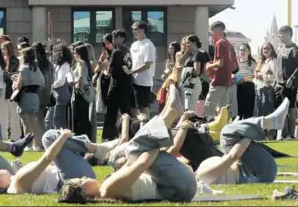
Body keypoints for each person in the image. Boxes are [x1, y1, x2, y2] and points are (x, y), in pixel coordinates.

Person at [59, 85, 197, 203]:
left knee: (131, 151)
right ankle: (171, 112)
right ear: (84, 194)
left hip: (178, 186)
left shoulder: (107, 188)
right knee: (132, 151)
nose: (84, 177)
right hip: (180, 187)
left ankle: (169, 111)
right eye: (81, 181)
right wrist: (153, 145)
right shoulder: (108, 188)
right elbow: (143, 162)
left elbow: (131, 164)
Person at [195, 97, 292, 185]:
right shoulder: (202, 176)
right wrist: (246, 138)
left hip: (256, 170)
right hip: (257, 171)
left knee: (228, 132)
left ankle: (268, 124)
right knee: (227, 132)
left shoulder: (201, 171)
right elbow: (232, 158)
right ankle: (269, 122)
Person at [274, 25, 298, 140]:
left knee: (290, 109)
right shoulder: (280, 50)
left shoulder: (295, 50)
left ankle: (290, 135)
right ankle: (282, 134)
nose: (279, 36)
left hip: (290, 85)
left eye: (281, 34)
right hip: (279, 84)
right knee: (280, 110)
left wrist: (291, 79)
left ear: (288, 34)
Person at [103, 29, 133, 141]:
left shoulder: (116, 52)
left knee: (111, 112)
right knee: (126, 111)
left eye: (117, 37)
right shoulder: (127, 50)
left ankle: (109, 136)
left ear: (122, 38)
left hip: (116, 85)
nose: (114, 39)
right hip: (126, 84)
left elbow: (111, 69)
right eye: (113, 37)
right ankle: (130, 133)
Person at [13, 47, 45, 151]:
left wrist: (14, 81)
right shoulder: (36, 68)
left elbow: (18, 86)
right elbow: (42, 84)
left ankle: (28, 145)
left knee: (25, 122)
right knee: (33, 121)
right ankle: (38, 144)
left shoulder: (23, 69)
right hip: (35, 96)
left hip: (25, 96)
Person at [205, 21, 238, 118]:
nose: (212, 34)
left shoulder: (219, 43)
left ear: (217, 30)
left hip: (218, 79)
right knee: (222, 108)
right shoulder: (228, 44)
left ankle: (211, 128)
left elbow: (220, 63)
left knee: (209, 106)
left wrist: (208, 66)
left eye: (212, 32)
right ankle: (222, 127)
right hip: (226, 80)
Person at [130, 21, 156, 117]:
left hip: (144, 82)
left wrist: (132, 71)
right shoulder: (134, 45)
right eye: (132, 29)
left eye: (135, 29)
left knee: (143, 107)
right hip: (133, 80)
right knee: (133, 107)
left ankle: (146, 129)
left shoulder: (148, 45)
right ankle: (136, 128)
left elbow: (147, 65)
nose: (133, 32)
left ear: (142, 30)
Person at [47, 43, 73, 131]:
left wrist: (51, 85)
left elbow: (61, 80)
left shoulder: (65, 65)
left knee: (58, 119)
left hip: (61, 94)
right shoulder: (59, 65)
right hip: (58, 94)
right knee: (55, 118)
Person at [0, 40, 21, 141]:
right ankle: (3, 135)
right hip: (3, 87)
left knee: (13, 114)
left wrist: (4, 72)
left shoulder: (15, 61)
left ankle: (15, 136)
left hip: (11, 88)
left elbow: (14, 76)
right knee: (3, 114)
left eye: (4, 48)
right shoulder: (2, 60)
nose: (2, 50)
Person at [32, 42, 54, 135]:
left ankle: (40, 138)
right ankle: (42, 136)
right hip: (47, 92)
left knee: (37, 118)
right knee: (41, 117)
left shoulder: (35, 64)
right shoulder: (49, 63)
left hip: (38, 92)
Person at [235, 43, 256, 119]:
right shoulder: (236, 62)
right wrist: (237, 79)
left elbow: (255, 77)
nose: (242, 52)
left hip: (249, 88)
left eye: (244, 50)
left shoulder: (253, 63)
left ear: (249, 52)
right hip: (238, 88)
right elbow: (232, 74)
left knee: (248, 113)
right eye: (241, 50)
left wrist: (246, 79)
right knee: (238, 112)